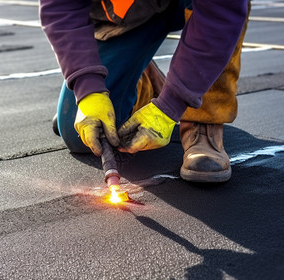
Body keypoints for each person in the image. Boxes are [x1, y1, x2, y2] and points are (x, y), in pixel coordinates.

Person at [40, 0, 249, 183]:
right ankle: (145, 82)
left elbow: (222, 13)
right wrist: (88, 91)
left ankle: (204, 119)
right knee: (81, 136)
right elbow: (61, 7)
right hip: (133, 15)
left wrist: (172, 105)